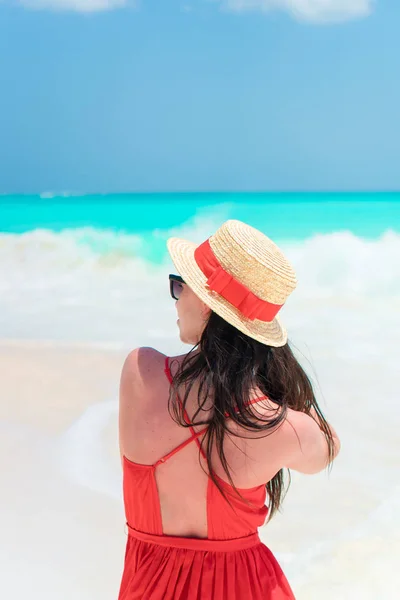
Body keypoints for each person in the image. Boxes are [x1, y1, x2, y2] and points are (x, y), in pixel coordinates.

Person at [118, 219, 340, 599]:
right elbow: (327, 447)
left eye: (178, 286)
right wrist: (279, 369)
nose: (176, 298)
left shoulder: (140, 372)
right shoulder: (279, 427)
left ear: (205, 301)